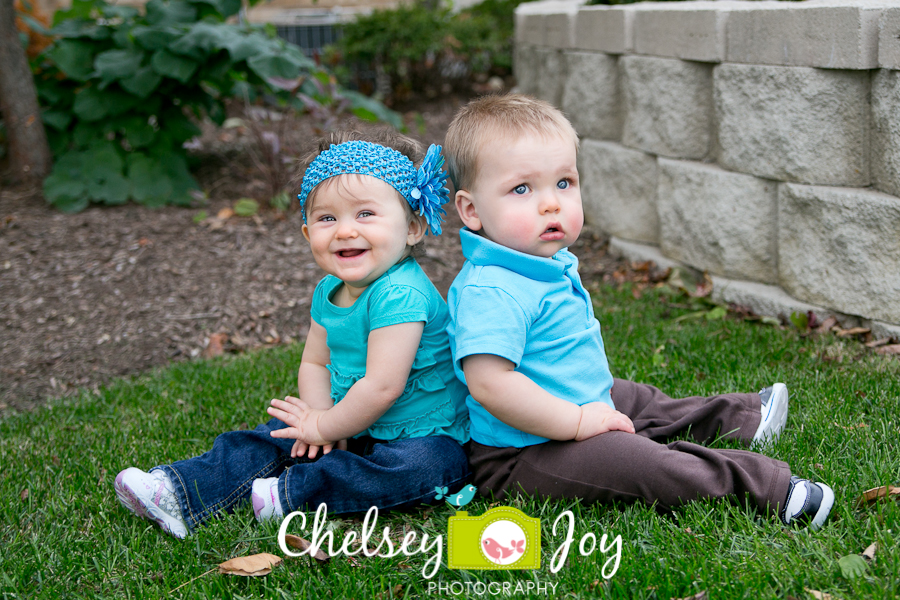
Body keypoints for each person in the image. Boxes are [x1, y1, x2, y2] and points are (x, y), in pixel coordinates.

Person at [443, 94, 834, 529]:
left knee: (638, 398)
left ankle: (742, 418)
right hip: (525, 452)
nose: (551, 203)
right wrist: (576, 421)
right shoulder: (492, 290)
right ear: (472, 210)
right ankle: (772, 491)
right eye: (522, 189)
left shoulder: (538, 261)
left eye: (564, 183)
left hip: (576, 399)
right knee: (643, 463)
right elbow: (490, 384)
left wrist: (587, 406)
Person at [114, 130, 470, 538]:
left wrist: (326, 426)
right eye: (327, 218)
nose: (345, 230)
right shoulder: (328, 291)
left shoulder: (401, 293)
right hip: (350, 419)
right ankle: (176, 490)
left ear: (413, 227)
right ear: (307, 233)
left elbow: (383, 387)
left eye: (365, 214)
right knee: (275, 435)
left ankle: (290, 495)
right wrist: (315, 419)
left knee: (430, 467)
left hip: (423, 431)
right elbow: (315, 361)